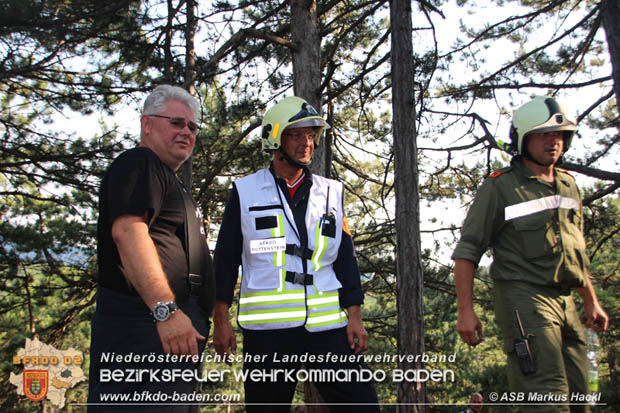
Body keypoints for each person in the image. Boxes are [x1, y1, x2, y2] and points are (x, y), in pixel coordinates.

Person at [213, 96, 379, 412]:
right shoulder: (245, 192)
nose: (307, 143)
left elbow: (345, 258)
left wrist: (354, 316)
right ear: (275, 138)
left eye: (311, 135)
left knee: (363, 406)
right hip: (268, 335)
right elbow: (225, 260)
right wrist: (220, 320)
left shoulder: (331, 192)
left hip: (327, 329)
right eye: (297, 134)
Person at [452, 96, 609, 412]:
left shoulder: (568, 185)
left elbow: (575, 253)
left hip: (566, 301)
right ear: (523, 138)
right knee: (546, 400)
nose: (554, 142)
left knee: (581, 399)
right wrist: (465, 311)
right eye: (544, 134)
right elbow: (467, 251)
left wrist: (590, 300)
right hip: (524, 299)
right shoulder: (500, 187)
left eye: (560, 135)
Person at [87, 85, 215, 412]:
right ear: (147, 125)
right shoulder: (140, 162)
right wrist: (166, 311)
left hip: (169, 336)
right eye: (176, 123)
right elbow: (128, 231)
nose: (186, 131)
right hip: (146, 330)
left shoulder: (168, 179)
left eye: (192, 127)